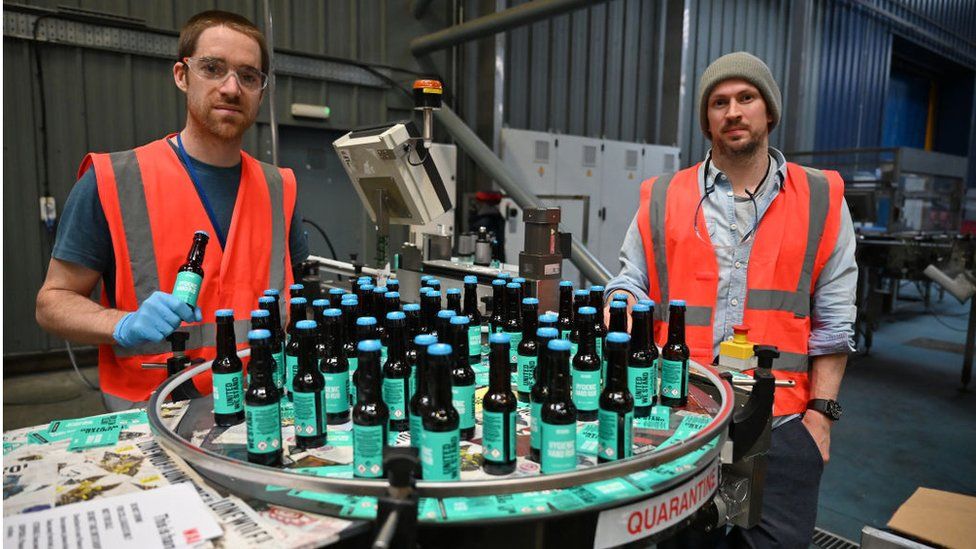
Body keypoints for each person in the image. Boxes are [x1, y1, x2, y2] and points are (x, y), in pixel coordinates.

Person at [604, 52, 856, 547]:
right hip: (680, 420)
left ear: (769, 111)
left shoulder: (822, 197)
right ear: (707, 120)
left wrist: (821, 418)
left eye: (747, 97)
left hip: (783, 426)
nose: (733, 112)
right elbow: (630, 279)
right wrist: (623, 300)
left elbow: (835, 315)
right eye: (719, 102)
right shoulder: (663, 197)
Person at [35, 11, 309, 411]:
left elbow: (296, 296)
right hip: (150, 411)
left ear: (261, 92)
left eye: (249, 76)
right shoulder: (114, 179)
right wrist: (122, 324)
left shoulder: (280, 188)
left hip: (261, 405)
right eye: (213, 69)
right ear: (182, 75)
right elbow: (52, 301)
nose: (231, 88)